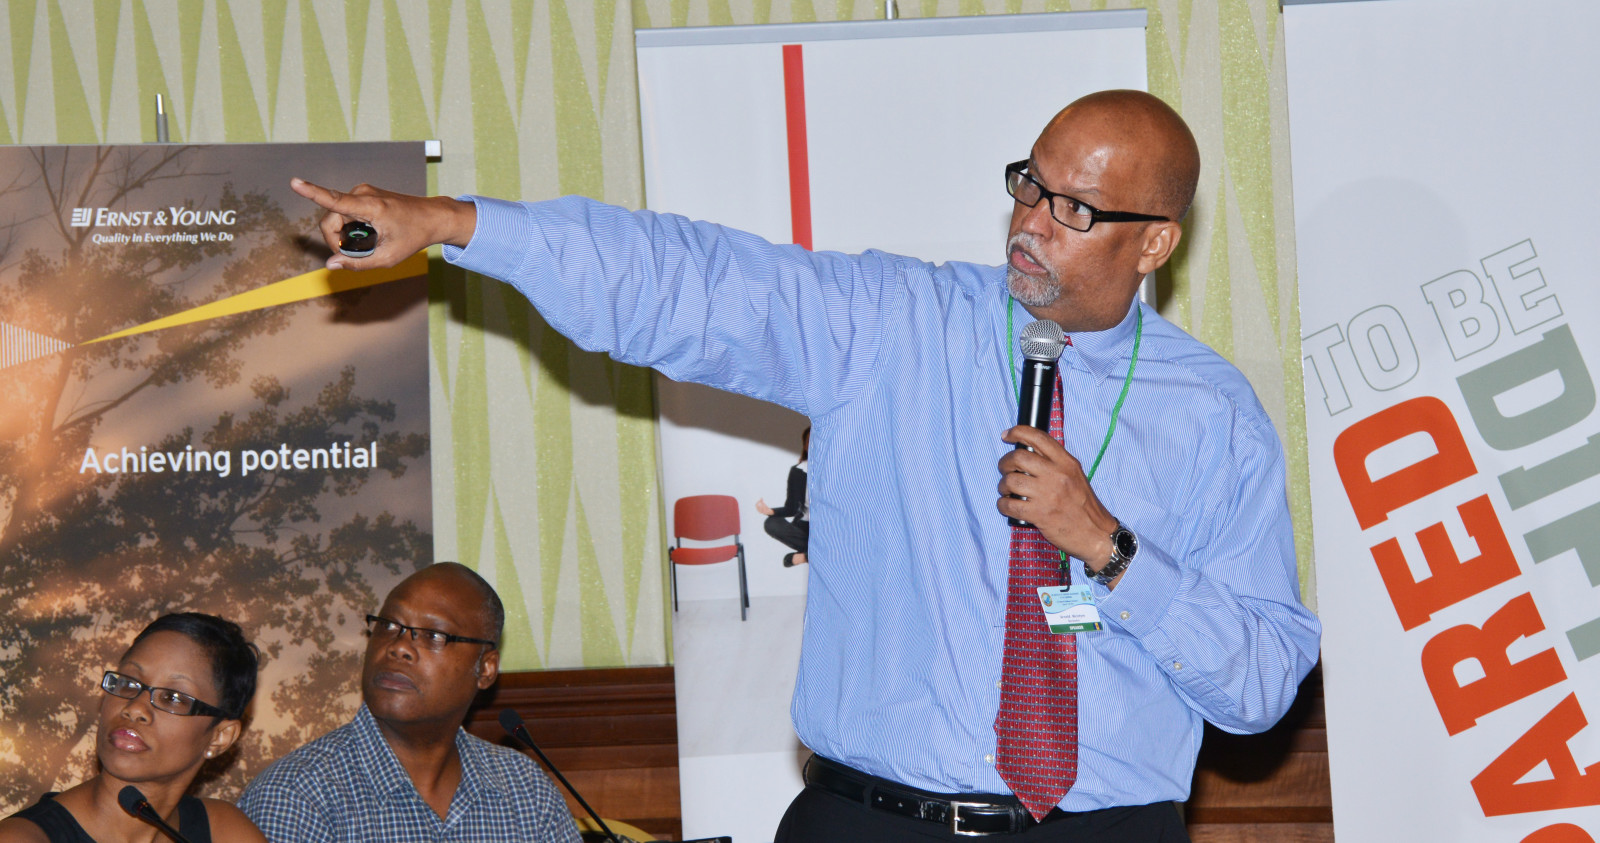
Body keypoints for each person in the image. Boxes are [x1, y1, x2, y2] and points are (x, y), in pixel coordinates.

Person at [290, 90, 1322, 842]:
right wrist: (460, 225)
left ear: (1155, 244)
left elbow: (1261, 684)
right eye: (1028, 185)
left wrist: (1109, 548)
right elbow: (691, 281)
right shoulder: (895, 324)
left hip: (1101, 828)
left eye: (1075, 211)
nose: (1030, 225)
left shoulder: (1213, 416)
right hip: (873, 820)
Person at [237, 562, 579, 843]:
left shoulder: (525, 790)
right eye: (389, 625)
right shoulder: (296, 796)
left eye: (434, 635)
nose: (399, 646)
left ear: (485, 669)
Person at [0, 613, 266, 843]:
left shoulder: (224, 831)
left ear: (220, 737)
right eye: (128, 683)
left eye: (172, 697)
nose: (136, 707)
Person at [756, 427, 810, 566]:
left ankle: (805, 556)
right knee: (771, 523)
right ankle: (814, 554)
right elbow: (792, 508)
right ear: (805, 446)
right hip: (807, 527)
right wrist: (770, 511)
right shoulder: (798, 471)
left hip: (831, 529)